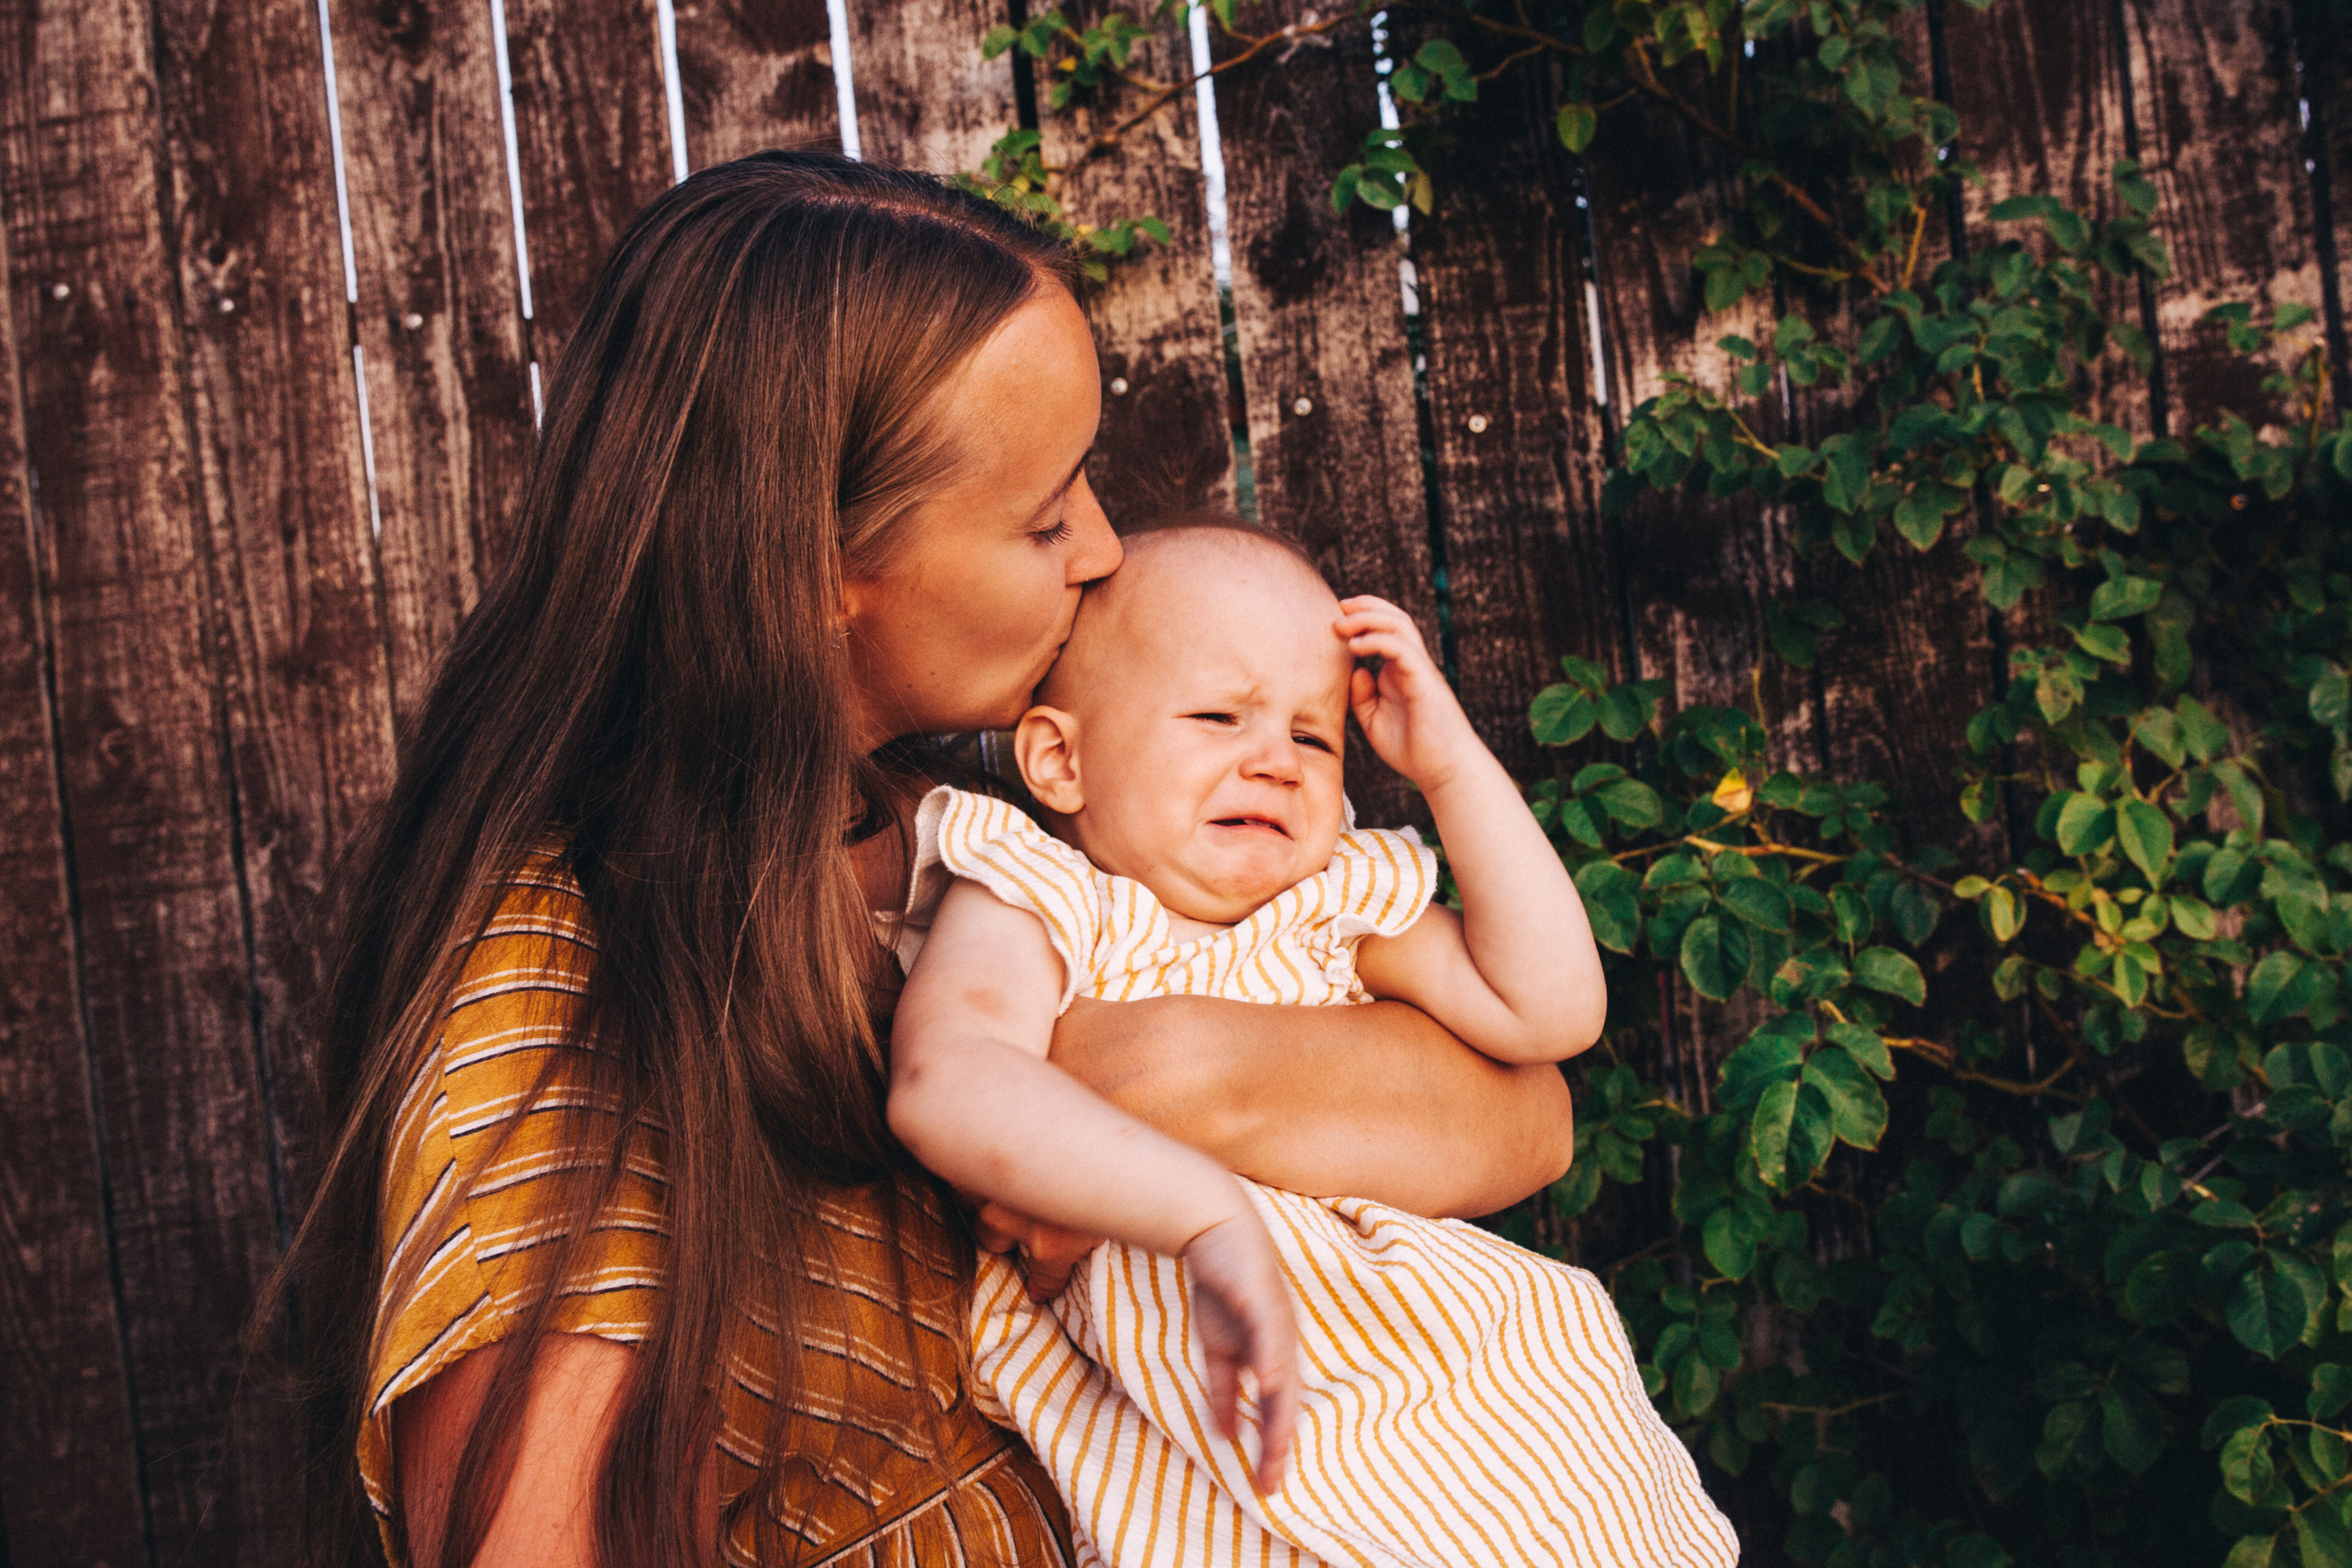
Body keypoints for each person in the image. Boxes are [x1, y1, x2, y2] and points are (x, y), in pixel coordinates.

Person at [276, 151, 1576, 1568]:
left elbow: (1530, 1118)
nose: (1102, 550)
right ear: (811, 566)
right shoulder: (571, 997)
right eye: (1044, 514)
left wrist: (1154, 1073)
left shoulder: (979, 820)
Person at [888, 524, 1739, 1566]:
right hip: (1217, 1456)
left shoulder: (1334, 905)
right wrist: (1201, 1212)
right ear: (1061, 760)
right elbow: (946, 1076)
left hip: (1467, 1408)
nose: (1276, 763)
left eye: (1314, 738)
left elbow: (1553, 1013)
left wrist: (1452, 768)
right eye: (1218, 716)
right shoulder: (1042, 898)